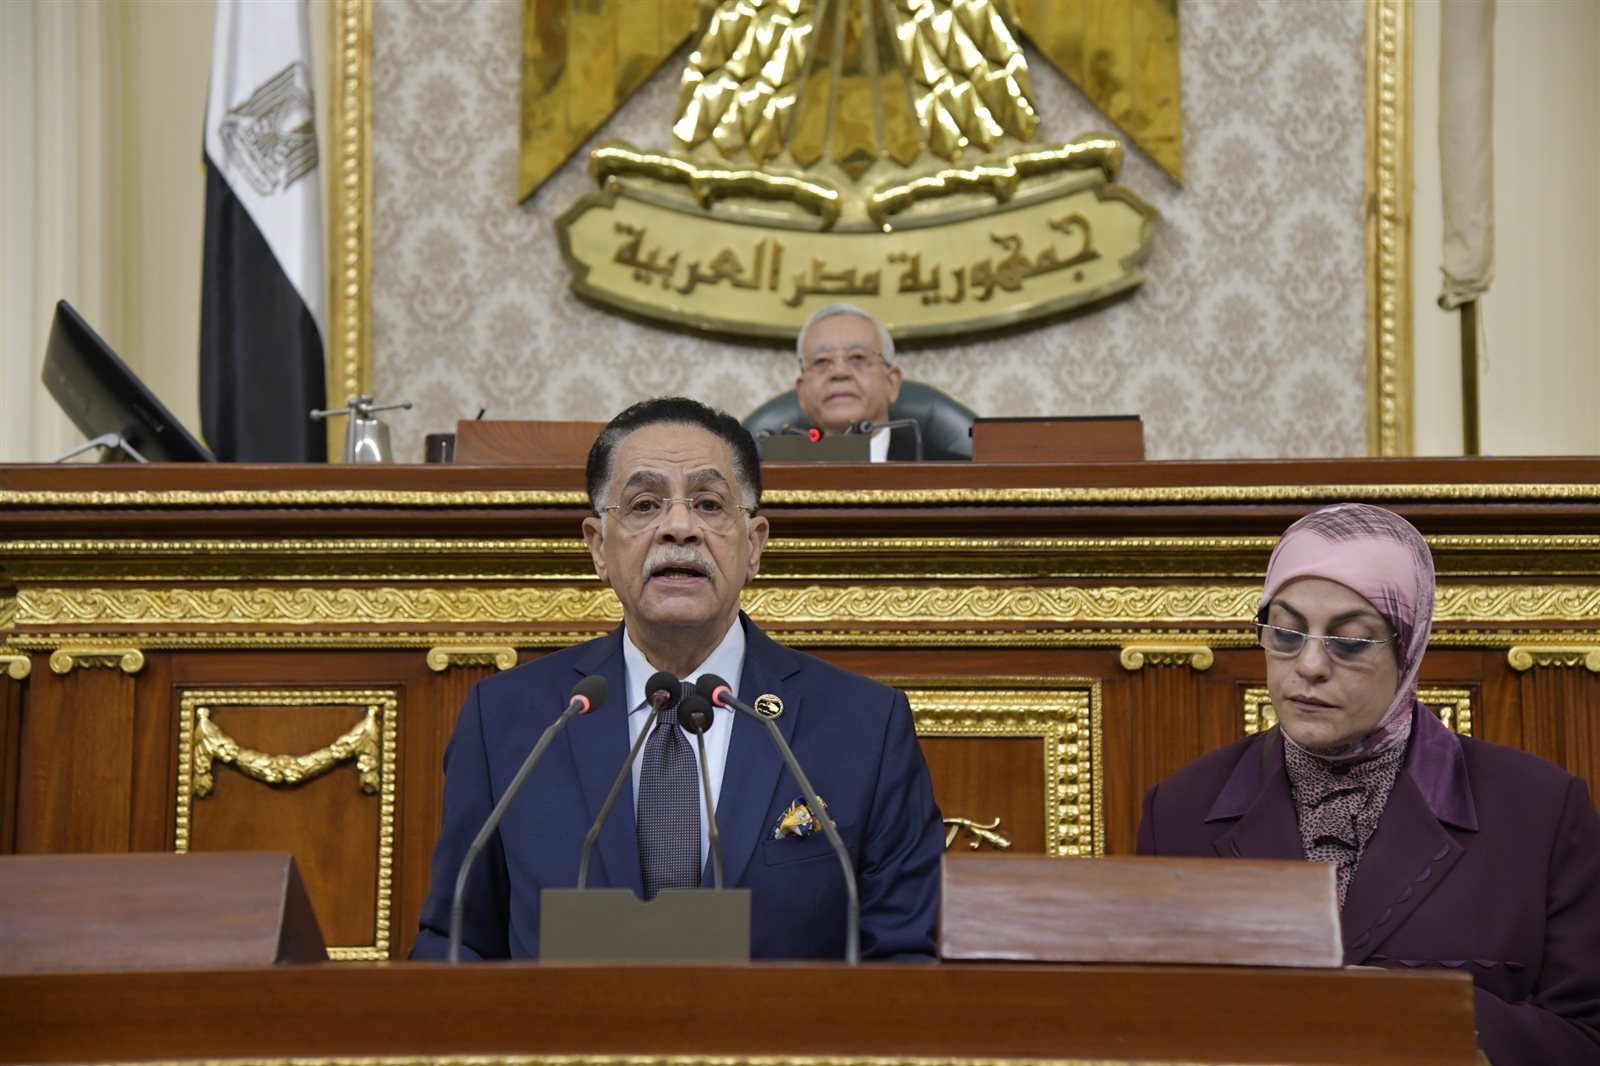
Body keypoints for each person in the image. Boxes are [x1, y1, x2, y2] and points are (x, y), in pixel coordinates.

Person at [411, 396, 944, 960]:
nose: (679, 528)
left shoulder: (865, 726)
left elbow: (905, 955)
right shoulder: (508, 720)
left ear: (754, 546)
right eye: (644, 505)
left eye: (709, 504)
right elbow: (457, 945)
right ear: (598, 547)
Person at [1137, 503, 1600, 1064]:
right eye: (1285, 632)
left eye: (1351, 641)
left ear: (1409, 647)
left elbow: (1586, 1036)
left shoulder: (1540, 811)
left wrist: (1422, 1014)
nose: (1309, 665)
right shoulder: (1180, 809)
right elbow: (1145, 1028)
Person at [794, 303, 907, 460]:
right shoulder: (764, 471)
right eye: (822, 361)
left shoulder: (941, 466)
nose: (839, 372)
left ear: (891, 384)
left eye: (857, 357)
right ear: (801, 392)